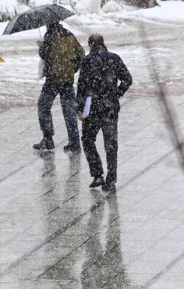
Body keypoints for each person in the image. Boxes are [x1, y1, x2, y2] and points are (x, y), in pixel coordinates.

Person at [77, 34, 132, 192]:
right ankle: (111, 180)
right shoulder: (114, 58)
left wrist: (79, 109)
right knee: (111, 145)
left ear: (91, 45)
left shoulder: (87, 61)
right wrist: (116, 94)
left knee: (88, 140)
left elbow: (81, 87)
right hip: (110, 108)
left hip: (93, 108)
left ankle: (97, 174)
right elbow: (127, 79)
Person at [33, 21, 85, 152]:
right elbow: (81, 54)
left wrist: (41, 47)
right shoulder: (69, 34)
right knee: (69, 111)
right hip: (67, 78)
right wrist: (73, 68)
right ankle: (74, 142)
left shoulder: (49, 36)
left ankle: (48, 139)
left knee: (43, 106)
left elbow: (43, 55)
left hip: (53, 79)